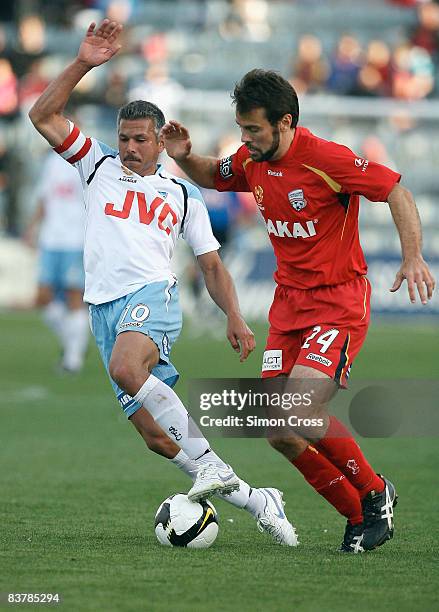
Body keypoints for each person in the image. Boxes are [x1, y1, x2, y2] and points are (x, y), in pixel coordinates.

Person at [28, 21, 297, 546]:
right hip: (103, 307)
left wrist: (236, 317)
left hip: (152, 296)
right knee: (156, 435)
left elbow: (212, 265)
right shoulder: (96, 165)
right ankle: (255, 498)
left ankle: (217, 473)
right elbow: (43, 116)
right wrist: (84, 62)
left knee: (127, 369)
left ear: (160, 142)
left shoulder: (182, 196)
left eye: (140, 140)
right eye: (124, 137)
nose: (128, 148)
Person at [161, 68, 435, 552]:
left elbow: (397, 191)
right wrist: (184, 157)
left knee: (301, 410)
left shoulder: (326, 158)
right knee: (279, 432)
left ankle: (375, 495)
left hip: (338, 303)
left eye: (253, 130)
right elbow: (213, 174)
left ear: (284, 121)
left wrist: (413, 255)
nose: (245, 139)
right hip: (288, 308)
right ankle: (358, 517)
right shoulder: (254, 159)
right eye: (242, 129)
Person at [23, 150, 89, 373]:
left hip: (75, 239)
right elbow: (44, 196)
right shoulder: (51, 161)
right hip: (50, 238)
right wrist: (32, 227)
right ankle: (73, 343)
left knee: (74, 296)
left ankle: (73, 359)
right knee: (43, 297)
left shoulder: (85, 162)